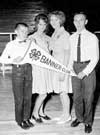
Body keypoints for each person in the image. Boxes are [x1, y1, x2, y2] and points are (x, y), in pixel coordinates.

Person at [69, 12, 99, 133]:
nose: (78, 23)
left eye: (81, 20)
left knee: (88, 97)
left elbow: (95, 58)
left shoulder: (92, 37)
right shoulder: (71, 38)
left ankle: (88, 122)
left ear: (86, 22)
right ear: (73, 22)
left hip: (88, 68)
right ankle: (79, 118)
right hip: (75, 67)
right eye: (76, 20)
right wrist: (70, 69)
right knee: (77, 97)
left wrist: (85, 72)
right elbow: (70, 55)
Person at [1, 23, 34, 129]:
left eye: (26, 31)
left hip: (28, 69)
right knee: (19, 98)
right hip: (18, 70)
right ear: (16, 32)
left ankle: (26, 118)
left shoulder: (30, 42)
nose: (25, 33)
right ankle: (19, 120)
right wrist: (12, 60)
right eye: (22, 31)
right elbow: (2, 59)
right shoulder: (11, 44)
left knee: (28, 97)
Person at [48, 10, 72, 124]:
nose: (53, 22)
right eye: (51, 19)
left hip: (62, 65)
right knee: (61, 91)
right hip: (56, 65)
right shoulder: (55, 33)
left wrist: (64, 70)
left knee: (64, 91)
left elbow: (67, 53)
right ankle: (64, 113)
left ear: (61, 20)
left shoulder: (65, 34)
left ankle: (67, 115)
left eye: (56, 20)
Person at [29, 13, 53, 123]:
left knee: (45, 91)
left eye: (44, 24)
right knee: (42, 92)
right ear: (36, 24)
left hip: (47, 68)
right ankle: (35, 113)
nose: (42, 26)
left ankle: (41, 112)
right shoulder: (31, 38)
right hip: (38, 68)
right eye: (40, 24)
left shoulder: (48, 37)